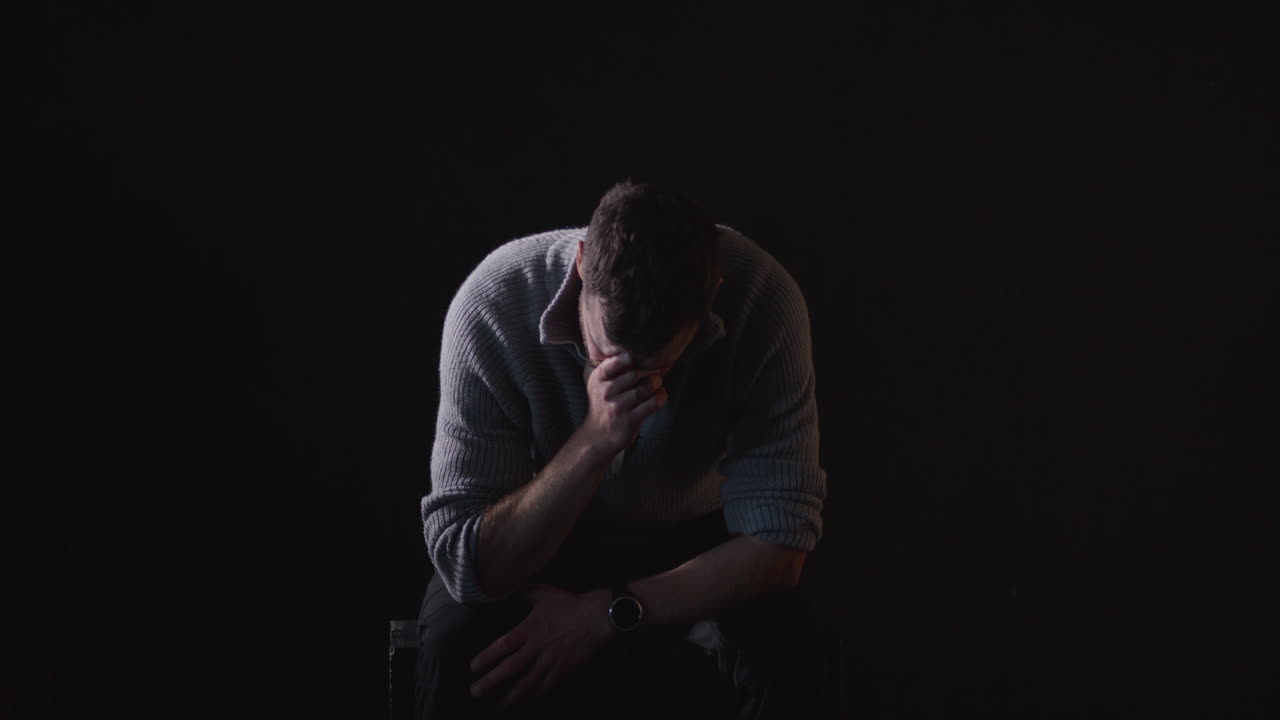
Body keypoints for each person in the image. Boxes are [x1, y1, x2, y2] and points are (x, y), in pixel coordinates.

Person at [415, 180, 828, 719]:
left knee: (790, 644)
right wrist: (594, 441)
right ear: (581, 263)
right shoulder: (495, 302)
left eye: (655, 366)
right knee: (453, 646)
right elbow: (469, 565)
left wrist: (604, 614)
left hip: (696, 539)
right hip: (546, 535)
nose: (625, 377)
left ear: (712, 296)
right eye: (604, 350)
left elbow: (780, 547)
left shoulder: (763, 298)